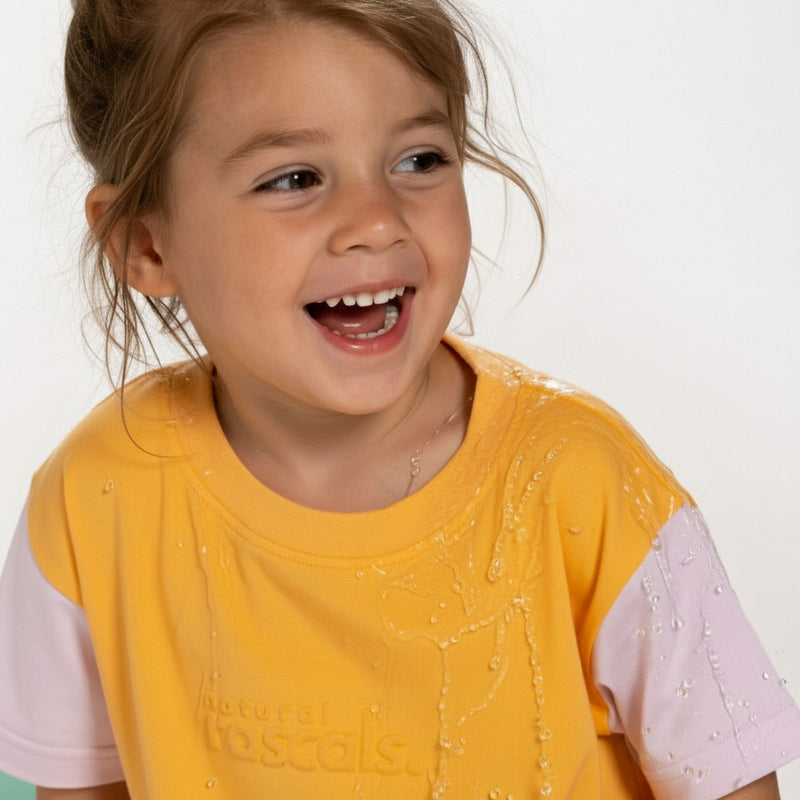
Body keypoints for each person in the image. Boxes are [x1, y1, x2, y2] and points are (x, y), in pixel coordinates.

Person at [0, 1, 798, 798]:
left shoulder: (584, 487)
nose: (378, 222)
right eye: (294, 178)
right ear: (145, 243)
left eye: (419, 160)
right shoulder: (94, 498)